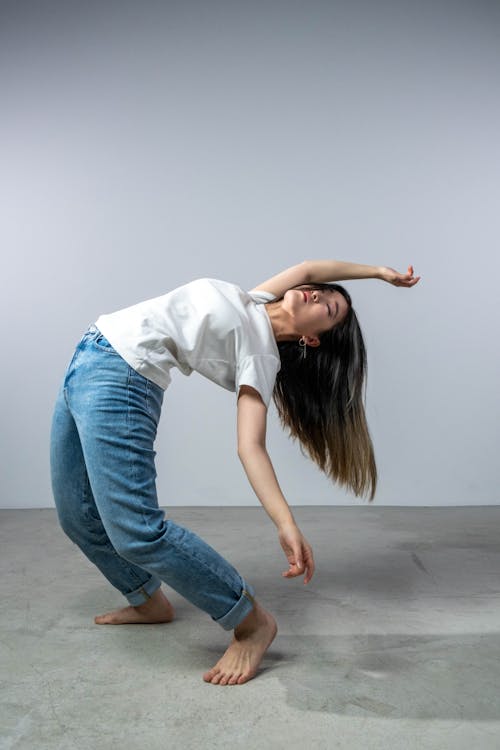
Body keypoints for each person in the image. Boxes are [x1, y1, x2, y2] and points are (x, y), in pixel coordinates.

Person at [50, 259, 420, 686]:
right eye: (322, 291)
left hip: (122, 379)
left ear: (311, 339)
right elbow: (312, 265)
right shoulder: (254, 300)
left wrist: (285, 523)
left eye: (329, 309)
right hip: (87, 358)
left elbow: (251, 446)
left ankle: (251, 622)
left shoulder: (261, 356)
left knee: (136, 529)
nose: (317, 294)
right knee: (77, 515)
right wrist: (378, 273)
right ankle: (146, 598)